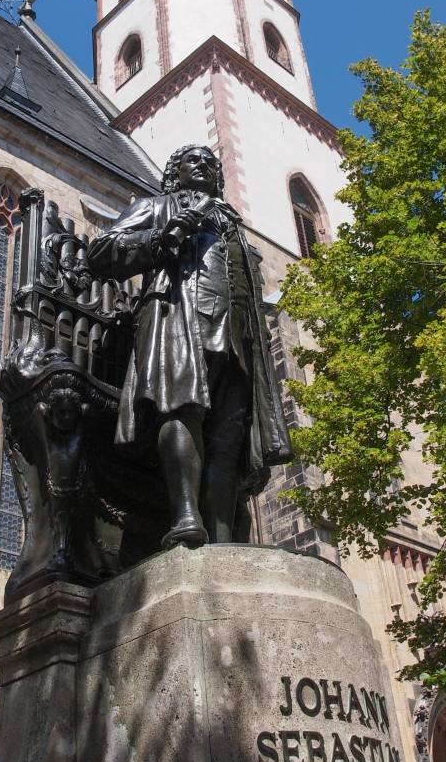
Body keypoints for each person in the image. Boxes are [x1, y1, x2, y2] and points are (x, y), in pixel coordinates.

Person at [87, 145, 292, 548]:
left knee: (229, 433)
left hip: (236, 337)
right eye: (193, 160)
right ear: (174, 173)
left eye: (212, 163)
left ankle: (221, 537)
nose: (205, 166)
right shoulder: (156, 206)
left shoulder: (232, 227)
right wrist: (166, 233)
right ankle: (185, 517)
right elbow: (101, 252)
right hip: (177, 318)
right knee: (180, 406)